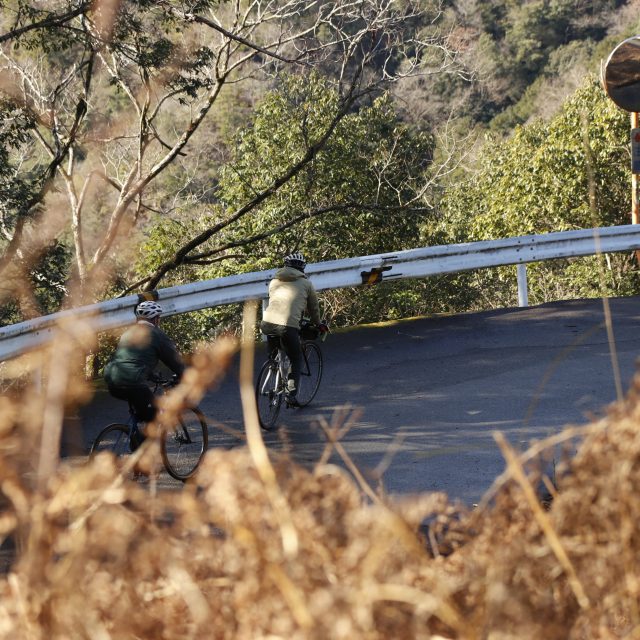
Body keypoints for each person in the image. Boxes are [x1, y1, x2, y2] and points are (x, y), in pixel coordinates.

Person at [104, 300, 185, 449]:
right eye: (159, 318)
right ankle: (139, 449)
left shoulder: (127, 333)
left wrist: (151, 375)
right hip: (133, 383)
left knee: (143, 409)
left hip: (112, 381)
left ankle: (136, 438)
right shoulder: (156, 335)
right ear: (156, 319)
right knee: (155, 415)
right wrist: (184, 375)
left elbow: (132, 360)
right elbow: (173, 360)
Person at [260, 252, 327, 406]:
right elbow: (313, 308)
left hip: (267, 323)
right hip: (287, 326)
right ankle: (290, 395)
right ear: (302, 267)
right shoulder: (306, 284)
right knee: (296, 358)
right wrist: (318, 323)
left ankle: (273, 368)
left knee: (274, 354)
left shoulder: (274, 281)